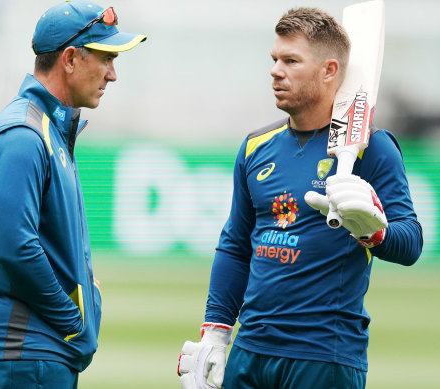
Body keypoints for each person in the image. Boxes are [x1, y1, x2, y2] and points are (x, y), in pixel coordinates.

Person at [178, 7, 422, 389]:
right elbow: (235, 245)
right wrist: (216, 333)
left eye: (291, 61)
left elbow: (411, 243)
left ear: (329, 70)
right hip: (251, 351)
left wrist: (374, 232)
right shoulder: (256, 146)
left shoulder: (372, 149)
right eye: (274, 59)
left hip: (324, 356)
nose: (276, 70)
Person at [0, 1, 146, 387]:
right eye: (106, 58)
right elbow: (17, 248)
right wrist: (73, 323)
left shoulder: (47, 129)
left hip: (38, 353)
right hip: (27, 352)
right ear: (69, 59)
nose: (112, 74)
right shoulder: (24, 136)